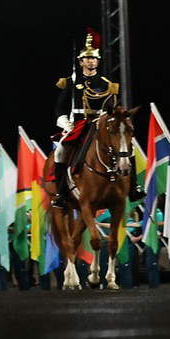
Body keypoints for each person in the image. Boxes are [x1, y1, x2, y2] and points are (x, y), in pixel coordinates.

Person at [51, 32, 121, 210]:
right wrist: (66, 124)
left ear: (98, 61)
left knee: (128, 147)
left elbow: (114, 107)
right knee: (60, 151)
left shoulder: (107, 84)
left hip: (101, 124)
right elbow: (59, 108)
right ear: (81, 61)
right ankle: (61, 193)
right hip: (79, 125)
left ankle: (134, 187)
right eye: (87, 58)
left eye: (94, 58)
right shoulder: (70, 82)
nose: (91, 61)